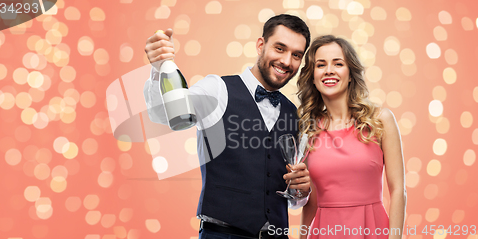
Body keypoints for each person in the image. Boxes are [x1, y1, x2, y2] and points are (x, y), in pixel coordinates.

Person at [144, 14, 313, 239]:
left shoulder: (294, 113)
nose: (286, 61)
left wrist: (300, 191)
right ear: (260, 45)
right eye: (280, 48)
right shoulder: (217, 88)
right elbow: (163, 114)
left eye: (296, 55)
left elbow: (292, 198)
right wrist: (158, 68)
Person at [296, 35, 406, 239]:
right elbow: (312, 200)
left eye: (338, 63)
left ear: (350, 74)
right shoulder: (307, 130)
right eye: (321, 65)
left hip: (372, 230)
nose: (329, 70)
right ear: (312, 76)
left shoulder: (380, 120)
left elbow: (398, 190)